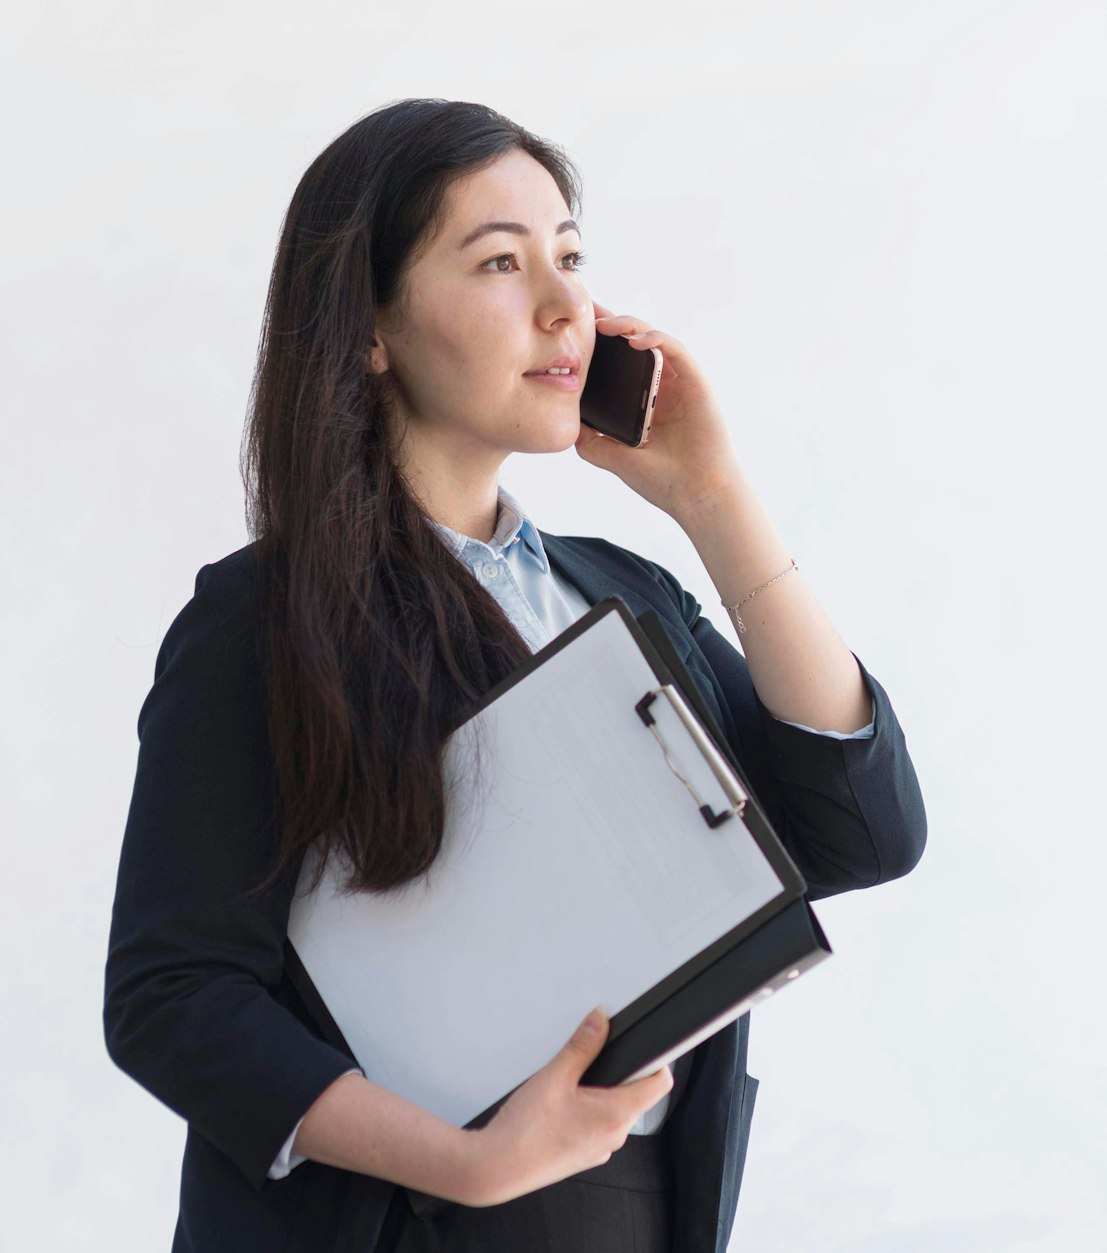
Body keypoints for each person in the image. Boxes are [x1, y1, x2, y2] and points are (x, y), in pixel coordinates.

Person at [101, 98, 928, 1253]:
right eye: (500, 261)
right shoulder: (264, 616)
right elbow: (172, 990)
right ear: (371, 327)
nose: (562, 305)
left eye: (570, 258)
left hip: (634, 1206)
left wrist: (712, 500)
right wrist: (468, 1161)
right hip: (393, 1215)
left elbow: (861, 830)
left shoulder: (621, 593)